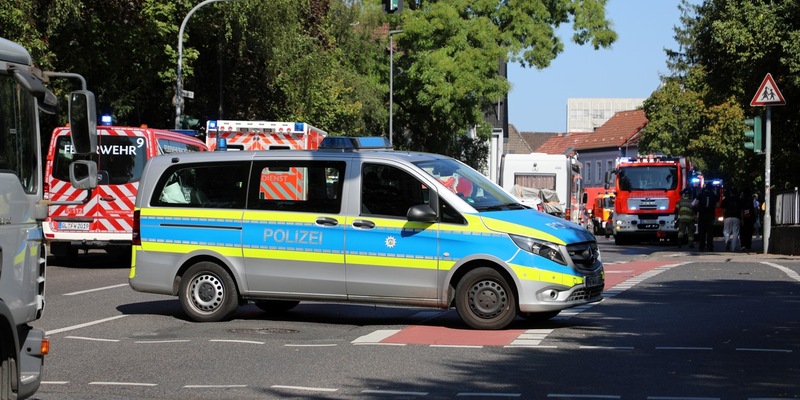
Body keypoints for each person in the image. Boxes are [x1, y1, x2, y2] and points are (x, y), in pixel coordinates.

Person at [694, 182, 718, 251]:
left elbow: (696, 204)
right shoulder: (714, 195)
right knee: (710, 232)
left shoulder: (700, 195)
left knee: (702, 232)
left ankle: (702, 246)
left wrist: (698, 210)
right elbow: (717, 205)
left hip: (702, 215)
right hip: (710, 215)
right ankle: (710, 246)